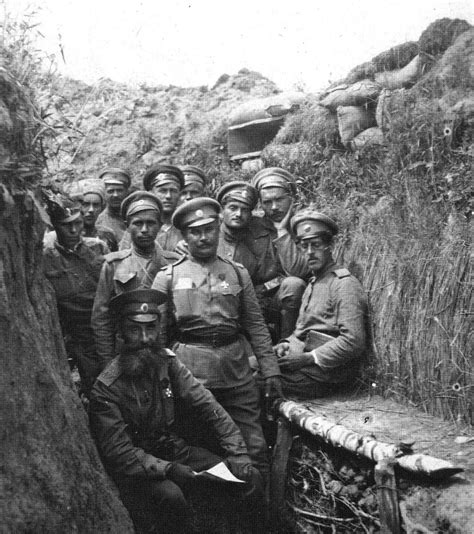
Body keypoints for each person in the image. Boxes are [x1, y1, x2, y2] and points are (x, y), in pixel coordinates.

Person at [89, 289, 263, 533]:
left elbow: (207, 404)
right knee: (171, 497)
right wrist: (168, 469)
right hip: (139, 469)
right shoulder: (107, 388)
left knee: (248, 477)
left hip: (175, 451)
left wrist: (238, 451)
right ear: (120, 334)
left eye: (150, 329)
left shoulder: (167, 363)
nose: (145, 338)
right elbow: (118, 453)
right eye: (134, 330)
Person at [152, 197, 282, 479]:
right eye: (195, 232)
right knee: (201, 451)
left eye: (209, 229)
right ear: (185, 236)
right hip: (190, 375)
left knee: (255, 448)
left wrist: (271, 370)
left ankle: (264, 516)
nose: (203, 237)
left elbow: (256, 326)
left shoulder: (237, 272)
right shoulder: (168, 277)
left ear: (218, 229)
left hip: (236, 373)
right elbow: (158, 339)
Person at [275, 209, 368, 398]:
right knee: (246, 366)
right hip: (306, 368)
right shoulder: (313, 283)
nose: (309, 252)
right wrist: (285, 344)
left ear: (329, 246)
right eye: (304, 246)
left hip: (327, 375)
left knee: (251, 380)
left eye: (316, 245)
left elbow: (354, 341)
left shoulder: (343, 284)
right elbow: (302, 331)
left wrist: (309, 358)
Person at [92, 191, 179, 369]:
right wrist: (108, 363)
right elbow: (101, 319)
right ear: (127, 226)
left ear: (161, 225)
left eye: (151, 223)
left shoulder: (175, 263)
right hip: (126, 352)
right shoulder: (114, 265)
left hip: (166, 349)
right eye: (138, 223)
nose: (145, 230)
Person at [42, 190, 108, 395]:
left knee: (99, 385)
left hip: (93, 329)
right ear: (54, 225)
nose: (73, 230)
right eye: (65, 224)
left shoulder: (97, 249)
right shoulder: (45, 254)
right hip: (64, 330)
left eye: (77, 223)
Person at [247, 168, 312, 338]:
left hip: (297, 302)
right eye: (267, 202)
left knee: (293, 284)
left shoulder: (304, 226)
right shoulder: (252, 227)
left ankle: (287, 342)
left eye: (279, 200)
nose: (274, 207)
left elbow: (297, 272)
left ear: (292, 198)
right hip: (258, 301)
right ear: (260, 204)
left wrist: (282, 231)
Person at [145, 163, 184, 251]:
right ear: (150, 193)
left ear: (179, 194)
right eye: (162, 191)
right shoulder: (140, 225)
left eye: (173, 191)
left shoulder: (186, 226)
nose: (168, 196)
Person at [96, 167, 132, 242]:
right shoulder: (100, 222)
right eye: (110, 191)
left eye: (120, 190)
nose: (115, 195)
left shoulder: (135, 215)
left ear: (127, 191)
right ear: (103, 193)